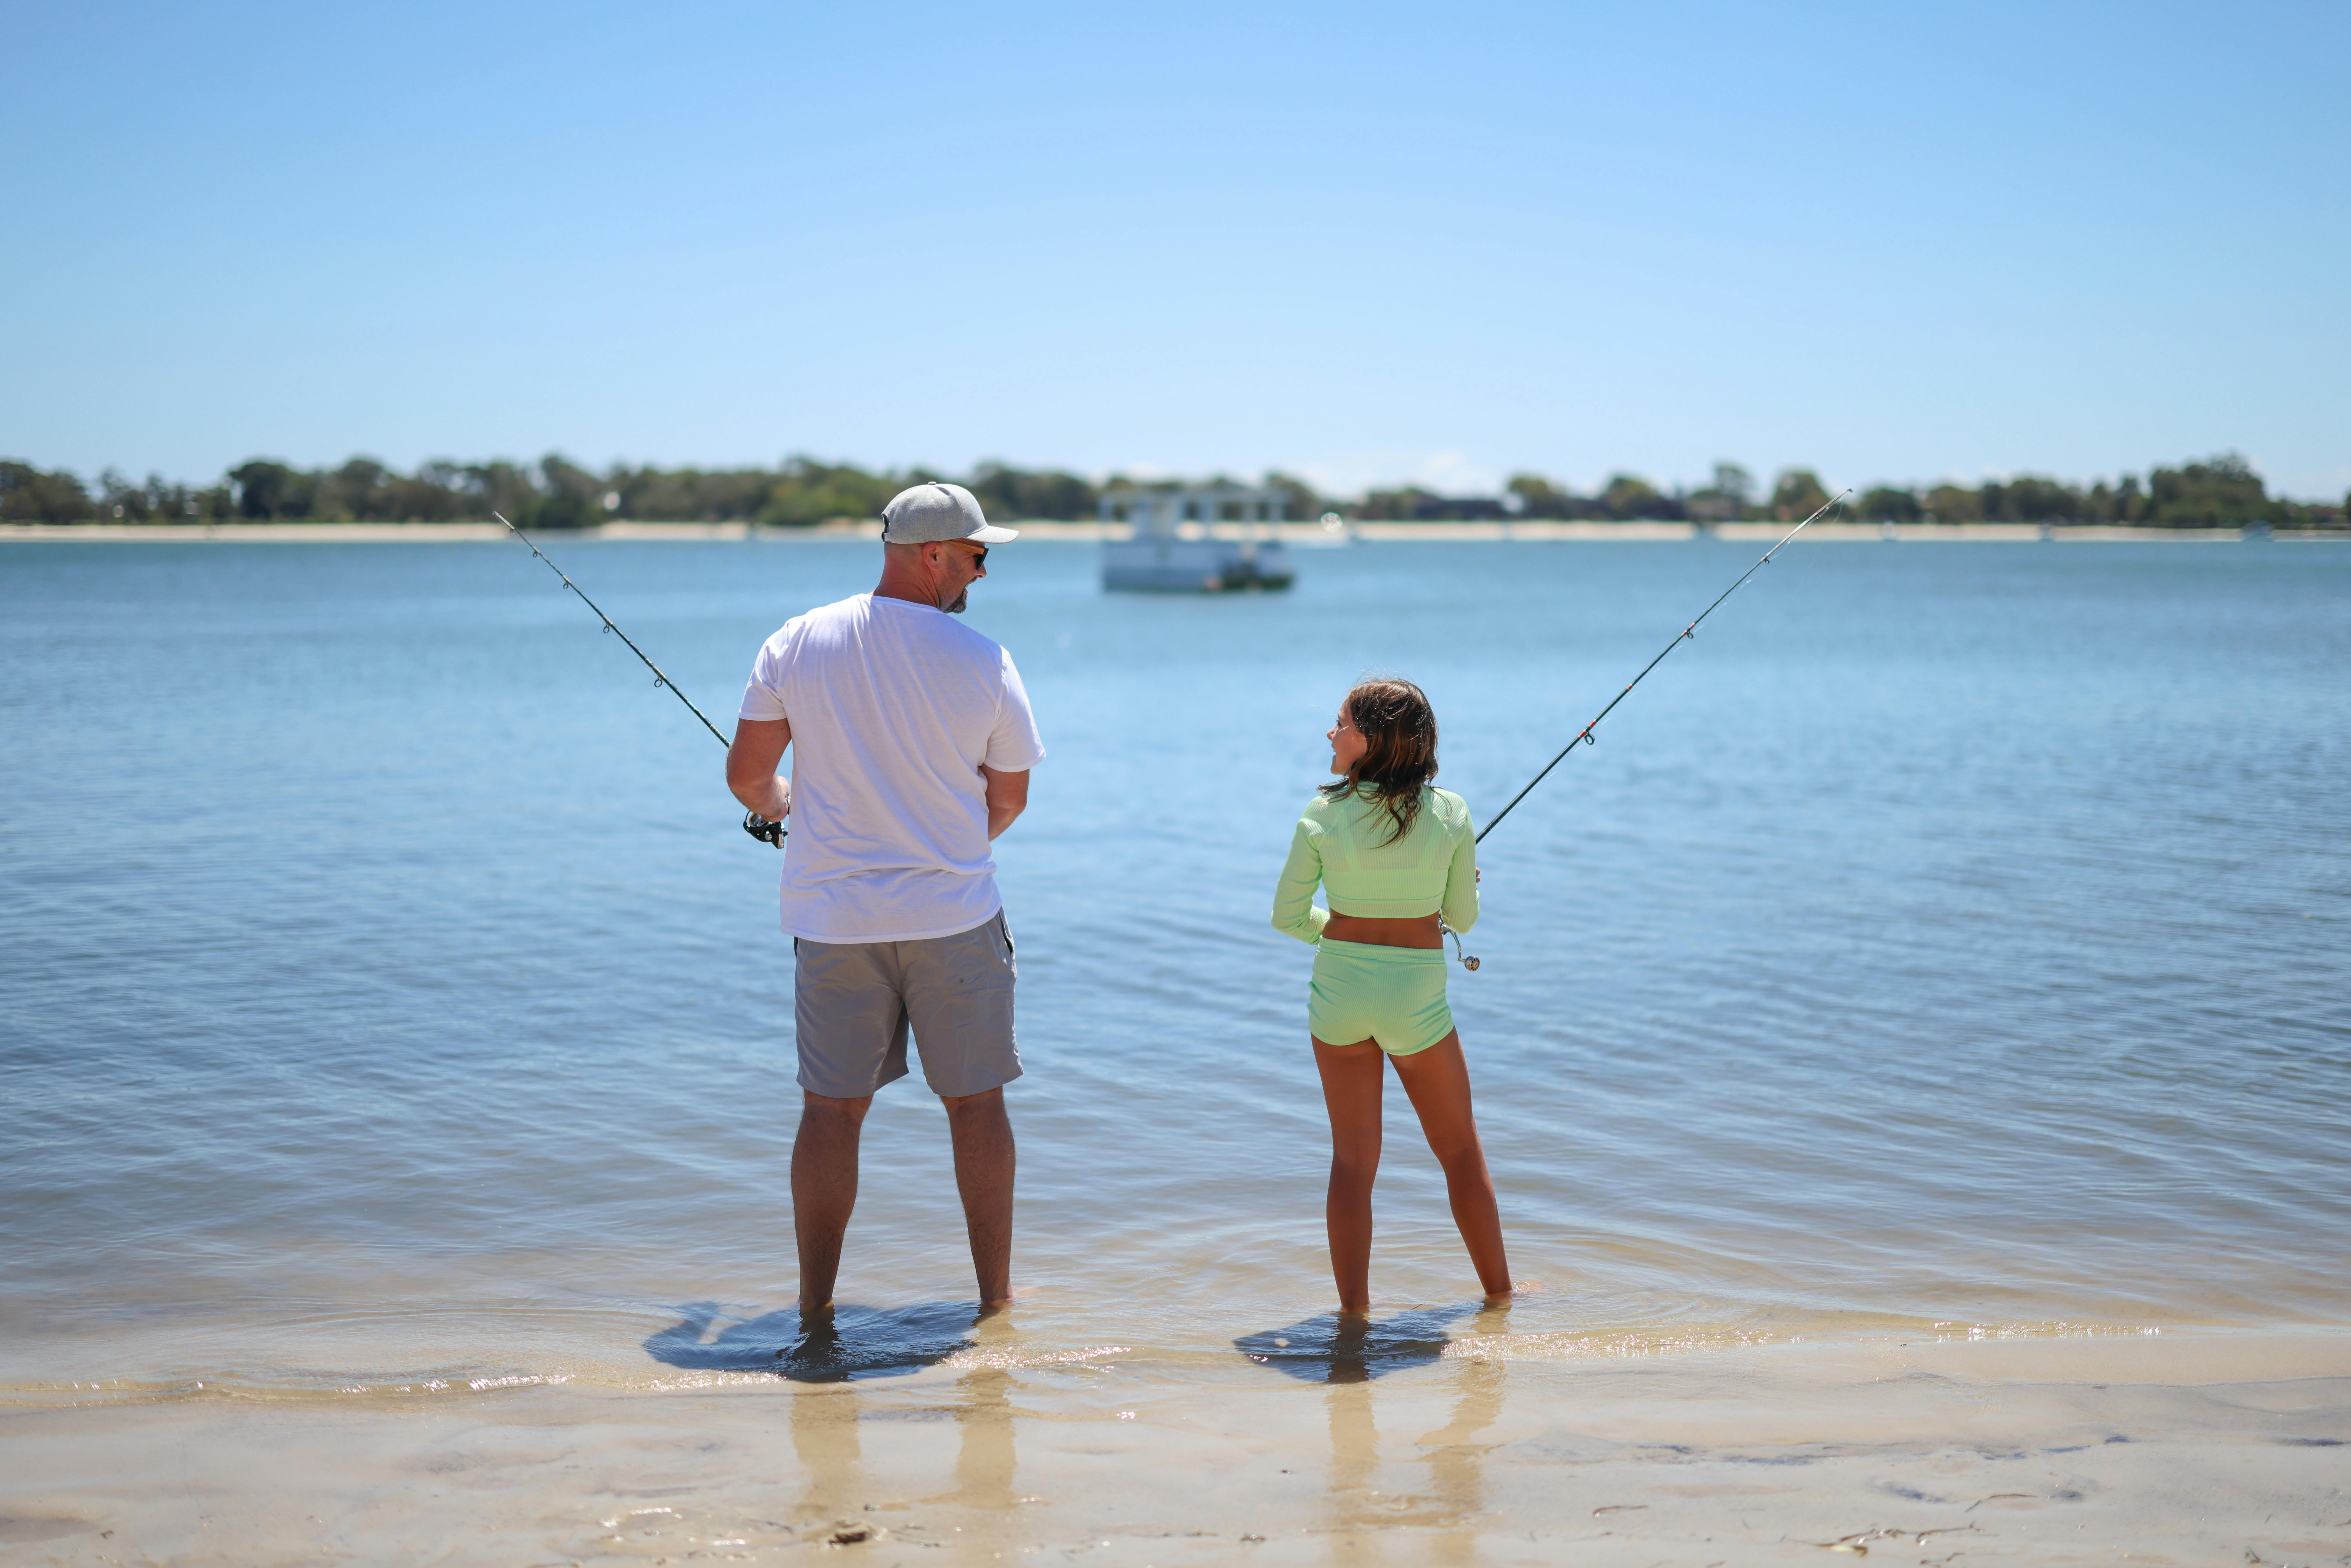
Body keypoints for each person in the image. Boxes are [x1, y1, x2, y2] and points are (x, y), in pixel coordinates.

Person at [725, 481, 1044, 1313]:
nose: (981, 574)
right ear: (934, 554)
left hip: (834, 921)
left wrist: (786, 807)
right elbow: (1007, 800)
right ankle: (995, 1303)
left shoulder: (796, 641)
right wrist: (942, 842)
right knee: (976, 1106)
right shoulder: (986, 660)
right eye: (977, 557)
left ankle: (815, 1307)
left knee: (831, 1112)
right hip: (956, 916)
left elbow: (749, 778)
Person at [1271, 678, 1511, 1316]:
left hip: (1340, 995)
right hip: (1416, 1000)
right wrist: (1464, 880)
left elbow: (1288, 917)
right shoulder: (1453, 813)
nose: (1331, 731)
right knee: (1459, 1150)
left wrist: (1342, 934)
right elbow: (1463, 915)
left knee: (1353, 1161)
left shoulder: (1320, 815)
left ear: (1373, 740)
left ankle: (1354, 1313)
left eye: (1342, 722)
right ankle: (1500, 1297)